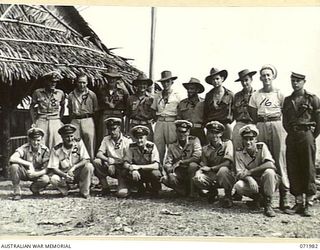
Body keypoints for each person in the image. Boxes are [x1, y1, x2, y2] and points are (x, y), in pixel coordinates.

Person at [248, 64, 290, 213]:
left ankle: (284, 196)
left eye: (268, 75)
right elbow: (253, 113)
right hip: (261, 124)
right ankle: (262, 196)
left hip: (276, 123)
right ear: (260, 78)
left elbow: (286, 112)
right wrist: (261, 124)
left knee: (279, 159)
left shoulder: (279, 93)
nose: (266, 78)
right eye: (263, 75)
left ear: (273, 77)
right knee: (262, 158)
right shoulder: (256, 95)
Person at [282, 72, 320, 217]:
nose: (295, 83)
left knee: (309, 167)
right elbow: (285, 122)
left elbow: (318, 121)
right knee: (293, 167)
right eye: (293, 80)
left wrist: (310, 135)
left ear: (304, 82)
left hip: (306, 134)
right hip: (292, 135)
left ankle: (309, 203)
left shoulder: (313, 99)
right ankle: (298, 202)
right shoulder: (287, 100)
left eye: (298, 81)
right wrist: (293, 132)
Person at [234, 124, 279, 217]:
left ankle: (268, 204)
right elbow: (239, 173)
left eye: (251, 139)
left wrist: (250, 172)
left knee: (269, 172)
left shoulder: (262, 147)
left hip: (265, 180)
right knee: (239, 186)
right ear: (242, 140)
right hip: (253, 182)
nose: (248, 142)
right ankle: (258, 198)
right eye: (245, 139)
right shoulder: (239, 153)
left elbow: (270, 164)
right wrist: (250, 179)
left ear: (256, 140)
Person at [193, 121, 235, 208]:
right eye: (211, 132)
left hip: (227, 174)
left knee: (223, 170)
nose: (214, 135)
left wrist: (212, 168)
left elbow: (227, 163)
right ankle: (212, 191)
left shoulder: (227, 144)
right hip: (213, 174)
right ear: (207, 134)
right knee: (197, 178)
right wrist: (198, 172)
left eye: (217, 133)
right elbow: (204, 165)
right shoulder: (205, 149)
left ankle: (228, 195)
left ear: (221, 133)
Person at [48, 124, 94, 198]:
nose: (70, 139)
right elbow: (54, 168)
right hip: (64, 174)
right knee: (53, 178)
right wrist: (65, 175)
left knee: (89, 166)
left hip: (77, 172)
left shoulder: (79, 143)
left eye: (71, 136)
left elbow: (86, 159)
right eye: (67, 137)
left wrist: (74, 167)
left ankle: (84, 191)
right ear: (62, 137)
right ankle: (65, 189)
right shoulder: (56, 149)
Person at [93, 117, 132, 197]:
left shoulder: (127, 140)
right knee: (97, 161)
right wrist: (108, 160)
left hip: (123, 169)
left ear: (119, 128)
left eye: (114, 129)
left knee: (122, 194)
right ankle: (105, 187)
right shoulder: (106, 139)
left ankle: (127, 186)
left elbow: (128, 159)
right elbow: (99, 154)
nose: (112, 132)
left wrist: (113, 163)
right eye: (110, 129)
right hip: (111, 166)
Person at [161, 120, 201, 198]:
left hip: (192, 172)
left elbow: (197, 157)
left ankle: (192, 192)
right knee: (165, 179)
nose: (182, 134)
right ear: (176, 131)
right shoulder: (172, 145)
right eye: (179, 131)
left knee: (193, 165)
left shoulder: (194, 140)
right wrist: (170, 173)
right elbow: (167, 162)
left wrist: (182, 162)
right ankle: (183, 191)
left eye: (184, 132)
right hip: (179, 171)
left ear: (188, 132)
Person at [9, 127, 50, 200]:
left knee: (46, 179)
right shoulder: (24, 148)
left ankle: (34, 188)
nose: (35, 143)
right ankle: (17, 191)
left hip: (37, 173)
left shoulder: (45, 150)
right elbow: (12, 158)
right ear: (29, 140)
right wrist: (29, 164)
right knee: (14, 166)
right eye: (33, 140)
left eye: (38, 140)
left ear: (41, 140)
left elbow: (47, 168)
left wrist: (35, 174)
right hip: (25, 171)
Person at [151, 70, 182, 164]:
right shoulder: (157, 95)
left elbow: (180, 110)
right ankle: (159, 168)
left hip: (171, 122)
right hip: (160, 122)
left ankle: (174, 168)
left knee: (173, 146)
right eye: (163, 82)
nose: (165, 84)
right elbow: (153, 109)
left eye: (168, 81)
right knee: (158, 146)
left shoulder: (177, 95)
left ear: (172, 82)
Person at [30, 70, 65, 149]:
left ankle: (55, 161)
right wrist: (34, 121)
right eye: (51, 81)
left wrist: (60, 119)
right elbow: (32, 107)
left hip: (55, 120)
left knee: (56, 143)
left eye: (55, 82)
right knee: (41, 143)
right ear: (46, 81)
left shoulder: (60, 93)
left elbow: (63, 106)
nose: (53, 84)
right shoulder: (37, 92)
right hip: (42, 120)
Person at [123, 125, 162, 196]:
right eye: (137, 138)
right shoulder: (132, 147)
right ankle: (140, 188)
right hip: (138, 173)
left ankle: (155, 189)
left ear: (146, 137)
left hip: (149, 171)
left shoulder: (152, 146)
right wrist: (132, 169)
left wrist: (138, 167)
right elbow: (125, 162)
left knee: (156, 174)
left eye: (141, 138)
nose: (139, 140)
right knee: (126, 172)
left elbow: (156, 165)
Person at [68, 73, 99, 159]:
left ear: (87, 83)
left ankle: (91, 164)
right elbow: (70, 110)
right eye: (80, 82)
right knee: (75, 143)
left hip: (88, 119)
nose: (82, 85)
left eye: (84, 83)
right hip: (75, 121)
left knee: (90, 143)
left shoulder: (92, 95)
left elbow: (96, 110)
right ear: (76, 82)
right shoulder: (71, 95)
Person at [97, 68, 129, 138]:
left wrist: (120, 114)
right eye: (109, 78)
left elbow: (127, 105)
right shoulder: (101, 90)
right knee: (104, 137)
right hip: (105, 115)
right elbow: (98, 105)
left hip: (118, 115)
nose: (111, 80)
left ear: (117, 79)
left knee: (118, 136)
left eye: (114, 78)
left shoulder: (122, 91)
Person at [203, 67, 234, 140]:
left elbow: (234, 111)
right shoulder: (208, 95)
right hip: (212, 126)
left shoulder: (230, 95)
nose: (215, 81)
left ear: (222, 79)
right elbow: (205, 112)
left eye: (217, 79)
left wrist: (227, 122)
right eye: (213, 79)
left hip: (225, 126)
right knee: (210, 149)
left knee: (227, 146)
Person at [125, 73, 155, 141]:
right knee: (133, 146)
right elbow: (127, 116)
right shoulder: (131, 98)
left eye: (144, 84)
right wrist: (126, 131)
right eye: (140, 84)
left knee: (148, 147)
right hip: (134, 125)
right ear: (137, 85)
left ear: (147, 86)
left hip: (147, 126)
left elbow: (154, 115)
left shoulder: (151, 99)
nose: (142, 86)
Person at [177, 77, 206, 145]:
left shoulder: (203, 103)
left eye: (192, 88)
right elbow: (178, 118)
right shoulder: (182, 103)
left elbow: (208, 117)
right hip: (185, 132)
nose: (189, 90)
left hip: (199, 132)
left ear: (197, 90)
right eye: (188, 89)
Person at [232, 69, 256, 149]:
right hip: (240, 123)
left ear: (251, 80)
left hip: (253, 123)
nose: (244, 83)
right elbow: (234, 112)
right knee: (237, 146)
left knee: (254, 147)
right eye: (242, 81)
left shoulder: (257, 94)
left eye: (246, 80)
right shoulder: (237, 96)